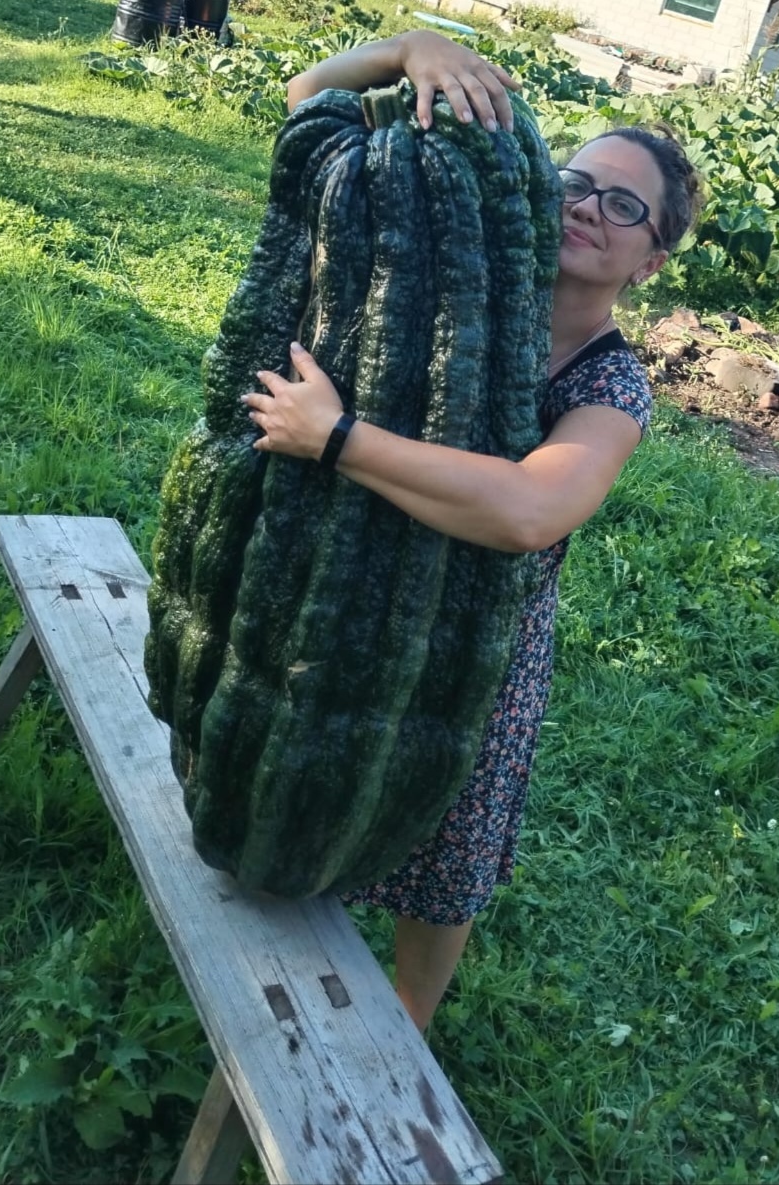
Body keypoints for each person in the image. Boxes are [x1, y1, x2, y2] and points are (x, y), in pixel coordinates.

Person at [240, 30, 702, 1034]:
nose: (588, 207)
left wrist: (338, 440)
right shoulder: (466, 263)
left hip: (475, 642)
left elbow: (531, 511)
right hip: (357, 576)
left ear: (652, 256)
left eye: (624, 206)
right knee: (311, 747)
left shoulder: (612, 383)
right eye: (580, 180)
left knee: (452, 840)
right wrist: (407, 50)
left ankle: (405, 1019)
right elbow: (307, 99)